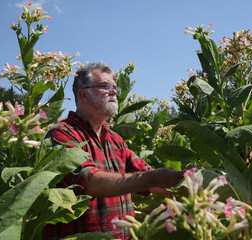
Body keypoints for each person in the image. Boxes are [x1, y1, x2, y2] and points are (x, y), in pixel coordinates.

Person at [43, 62, 184, 240]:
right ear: (83, 95)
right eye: (105, 86)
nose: (114, 91)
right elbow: (88, 182)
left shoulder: (114, 139)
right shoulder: (60, 134)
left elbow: (145, 175)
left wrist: (188, 184)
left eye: (114, 87)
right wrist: (153, 178)